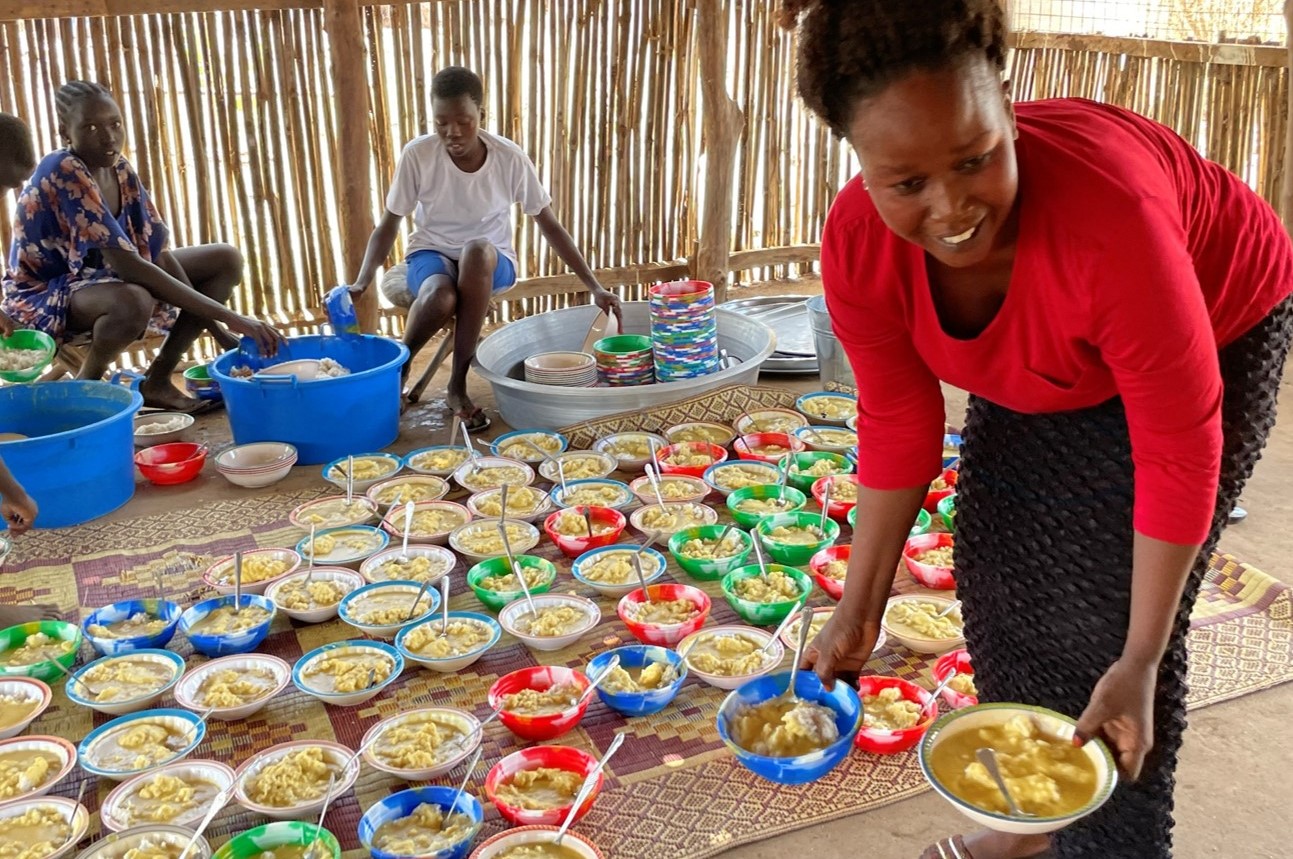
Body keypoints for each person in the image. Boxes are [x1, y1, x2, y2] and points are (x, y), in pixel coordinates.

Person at [779, 2, 1293, 858]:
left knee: (1108, 621)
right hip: (1052, 348)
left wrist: (1139, 657)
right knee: (996, 565)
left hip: (1214, 316)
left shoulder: (1112, 219)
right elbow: (898, 421)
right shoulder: (860, 244)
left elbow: (1176, 447)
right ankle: (1031, 821)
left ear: (1008, 108)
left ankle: (1110, 845)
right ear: (859, 163)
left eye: (974, 158)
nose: (951, 208)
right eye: (906, 183)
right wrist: (857, 610)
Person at [346, 66, 622, 429]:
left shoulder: (509, 157)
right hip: (431, 254)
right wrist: (362, 280)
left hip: (491, 261)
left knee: (477, 250)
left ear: (481, 115)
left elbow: (550, 225)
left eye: (463, 121)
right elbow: (389, 223)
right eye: (441, 122)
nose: (452, 132)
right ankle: (400, 369)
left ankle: (457, 385)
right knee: (440, 296)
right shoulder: (418, 155)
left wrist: (594, 286)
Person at [2, 82, 282, 411]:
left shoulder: (119, 168)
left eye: (115, 124)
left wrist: (218, 329)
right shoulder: (63, 169)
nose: (109, 138)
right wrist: (233, 318)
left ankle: (158, 379)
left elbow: (157, 254)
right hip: (42, 297)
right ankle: (85, 393)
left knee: (224, 259)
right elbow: (130, 267)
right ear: (65, 132)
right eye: (90, 128)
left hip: (97, 281)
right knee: (134, 299)